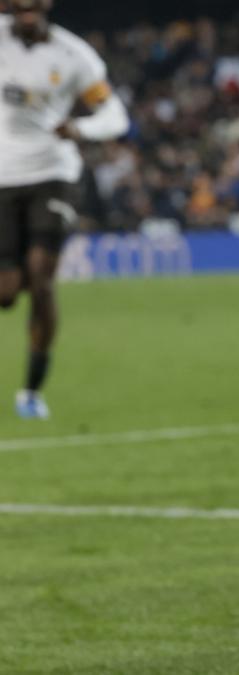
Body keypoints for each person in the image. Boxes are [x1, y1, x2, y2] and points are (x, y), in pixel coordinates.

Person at [0, 0, 128, 419]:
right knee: (6, 290)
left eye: (32, 5)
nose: (25, 12)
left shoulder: (73, 56)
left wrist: (80, 128)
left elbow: (114, 113)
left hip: (52, 172)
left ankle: (32, 392)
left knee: (41, 278)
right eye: (17, 7)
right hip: (3, 176)